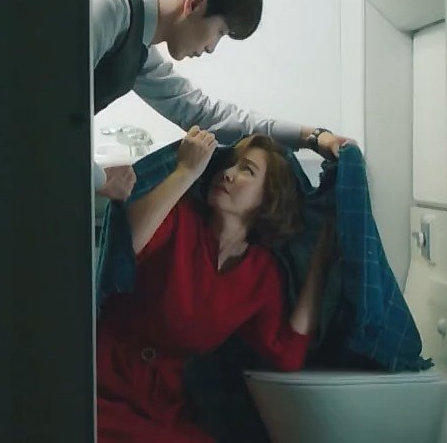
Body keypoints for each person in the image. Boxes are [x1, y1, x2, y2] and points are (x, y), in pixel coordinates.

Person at [97, 128, 334, 442]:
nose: (228, 173)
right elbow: (124, 249)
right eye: (230, 164)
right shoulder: (179, 221)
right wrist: (185, 171)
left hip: (161, 403)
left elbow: (285, 354)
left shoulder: (262, 272)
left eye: (247, 170)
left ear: (269, 197)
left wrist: (319, 263)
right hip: (101, 385)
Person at [92, 0, 353, 203]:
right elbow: (62, 110)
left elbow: (208, 116)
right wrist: (101, 180)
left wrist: (311, 137)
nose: (211, 48)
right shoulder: (107, 6)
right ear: (195, 3)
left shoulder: (139, 49)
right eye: (220, 32)